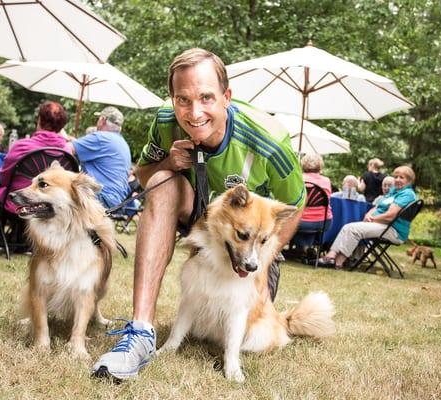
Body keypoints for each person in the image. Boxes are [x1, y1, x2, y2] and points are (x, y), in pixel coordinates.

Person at [92, 48, 305, 380]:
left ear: (226, 97)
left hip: (250, 247)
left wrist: (264, 259)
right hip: (196, 216)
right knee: (163, 180)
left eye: (206, 97)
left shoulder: (270, 141)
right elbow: (144, 174)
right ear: (172, 99)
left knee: (243, 324)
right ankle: (140, 331)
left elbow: (295, 204)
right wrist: (168, 163)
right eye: (183, 100)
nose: (194, 113)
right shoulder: (165, 120)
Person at [0, 101, 70, 255]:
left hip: (18, 202)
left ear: (39, 120)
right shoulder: (66, 151)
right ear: (61, 126)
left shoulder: (23, 146)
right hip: (46, 206)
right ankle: (28, 243)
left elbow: (4, 177)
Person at [318, 166, 417, 269]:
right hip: (382, 224)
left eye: (401, 177)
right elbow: (378, 206)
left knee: (352, 229)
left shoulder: (407, 194)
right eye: (396, 177)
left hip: (393, 230)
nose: (397, 180)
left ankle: (333, 260)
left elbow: (390, 216)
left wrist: (373, 219)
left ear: (409, 181)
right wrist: (368, 214)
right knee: (349, 227)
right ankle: (334, 260)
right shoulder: (394, 191)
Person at [68, 106, 132, 209]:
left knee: (57, 191)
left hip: (101, 198)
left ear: (102, 120)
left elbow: (66, 149)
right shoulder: (121, 142)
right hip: (117, 202)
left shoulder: (100, 138)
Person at [290, 154, 333, 257]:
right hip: (322, 222)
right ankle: (308, 249)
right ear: (320, 166)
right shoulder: (326, 181)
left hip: (300, 221)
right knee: (307, 226)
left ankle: (304, 248)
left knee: (289, 223)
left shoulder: (297, 179)